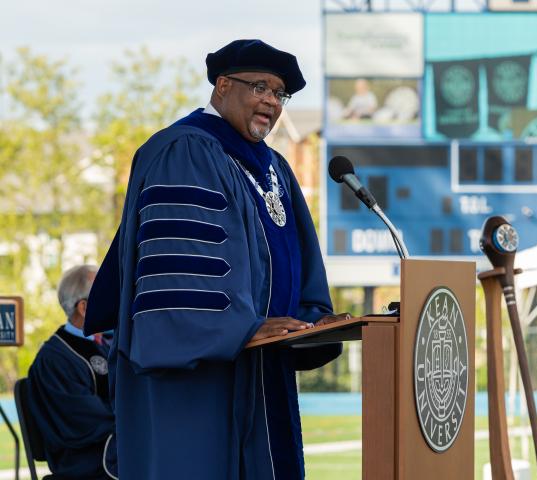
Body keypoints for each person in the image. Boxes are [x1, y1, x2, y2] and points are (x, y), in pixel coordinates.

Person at [84, 39, 347, 480]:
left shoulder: (275, 169)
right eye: (260, 86)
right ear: (223, 86)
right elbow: (179, 273)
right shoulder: (184, 151)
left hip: (263, 369)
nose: (271, 101)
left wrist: (312, 319)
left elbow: (299, 261)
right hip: (195, 383)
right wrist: (240, 327)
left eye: (279, 93)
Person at [27, 265, 116, 480]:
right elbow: (87, 422)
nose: (115, 302)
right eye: (107, 295)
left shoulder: (108, 344)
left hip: (113, 444)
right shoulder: (54, 360)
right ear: (84, 308)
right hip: (85, 461)